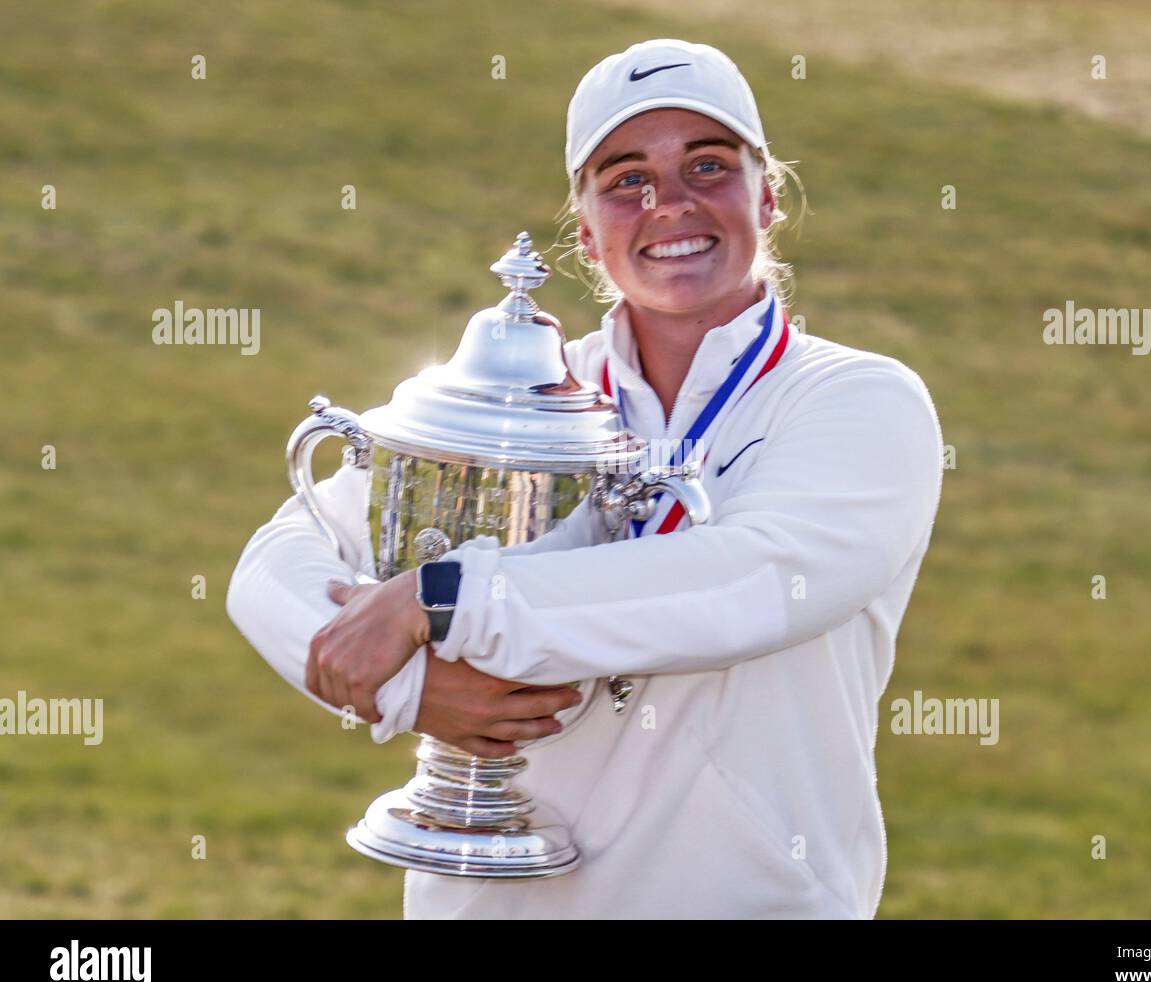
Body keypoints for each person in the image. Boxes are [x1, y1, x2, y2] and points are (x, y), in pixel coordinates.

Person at [227, 38, 944, 919]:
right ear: (586, 231)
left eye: (708, 166)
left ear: (767, 194)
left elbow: (763, 577)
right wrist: (406, 685)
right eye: (626, 179)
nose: (669, 204)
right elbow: (274, 558)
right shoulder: (515, 398)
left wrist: (442, 600)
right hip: (488, 903)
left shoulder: (858, 399)